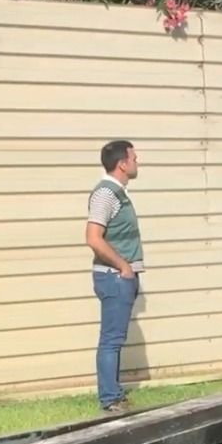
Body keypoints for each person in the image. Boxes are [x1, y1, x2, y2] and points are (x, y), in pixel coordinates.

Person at [86, 139, 143, 412]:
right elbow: (93, 238)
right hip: (113, 277)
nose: (137, 161)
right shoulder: (106, 194)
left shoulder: (118, 193)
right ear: (122, 163)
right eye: (134, 157)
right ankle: (109, 399)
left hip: (119, 276)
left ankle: (115, 395)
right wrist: (123, 266)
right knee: (110, 340)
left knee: (115, 339)